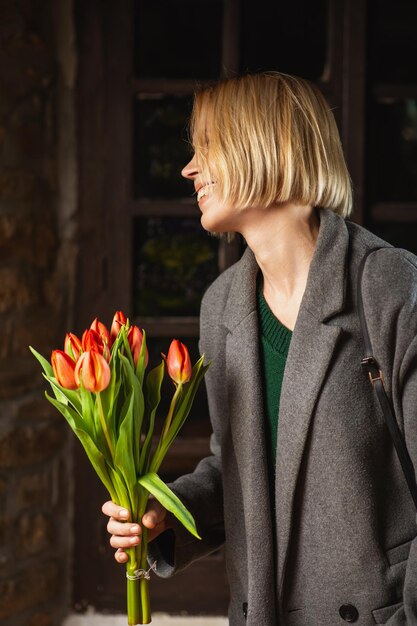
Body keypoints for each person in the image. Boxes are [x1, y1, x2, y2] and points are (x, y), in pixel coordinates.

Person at [102, 72, 417, 625]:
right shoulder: (222, 306)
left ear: (264, 144)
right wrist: (166, 515)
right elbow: (237, 473)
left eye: (206, 148)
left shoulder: (389, 286)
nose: (188, 169)